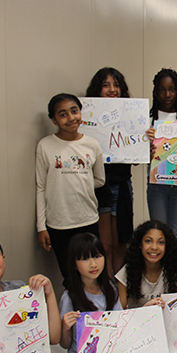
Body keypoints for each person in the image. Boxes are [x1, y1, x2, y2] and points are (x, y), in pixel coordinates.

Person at [60, 233, 156, 353]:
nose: (93, 264)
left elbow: (120, 324)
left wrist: (144, 310)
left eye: (97, 256)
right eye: (84, 259)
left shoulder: (109, 289)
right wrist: (65, 328)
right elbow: (65, 344)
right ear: (74, 264)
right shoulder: (69, 298)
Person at [37, 93, 105, 285]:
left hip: (88, 219)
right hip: (59, 224)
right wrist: (41, 227)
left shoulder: (91, 145)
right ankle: (74, 312)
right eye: (63, 114)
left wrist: (78, 181)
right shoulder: (45, 146)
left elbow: (99, 179)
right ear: (54, 119)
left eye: (74, 111)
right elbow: (41, 187)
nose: (71, 118)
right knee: (70, 276)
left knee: (94, 274)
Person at [86, 67, 134, 273]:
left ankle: (120, 292)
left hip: (122, 185)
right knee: (103, 245)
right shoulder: (86, 120)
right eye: (106, 85)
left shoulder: (131, 117)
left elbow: (137, 157)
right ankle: (106, 291)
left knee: (121, 243)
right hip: (97, 186)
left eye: (116, 85)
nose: (112, 89)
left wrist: (145, 141)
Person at [147, 68, 177, 236]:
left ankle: (173, 263)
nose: (167, 94)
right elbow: (136, 157)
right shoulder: (149, 119)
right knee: (158, 231)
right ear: (156, 92)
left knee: (176, 233)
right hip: (156, 185)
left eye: (172, 89)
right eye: (162, 90)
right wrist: (147, 148)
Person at [117, 220, 177, 308]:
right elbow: (120, 311)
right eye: (148, 241)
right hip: (136, 320)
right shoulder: (126, 272)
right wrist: (146, 309)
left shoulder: (173, 269)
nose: (154, 247)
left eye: (160, 242)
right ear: (140, 244)